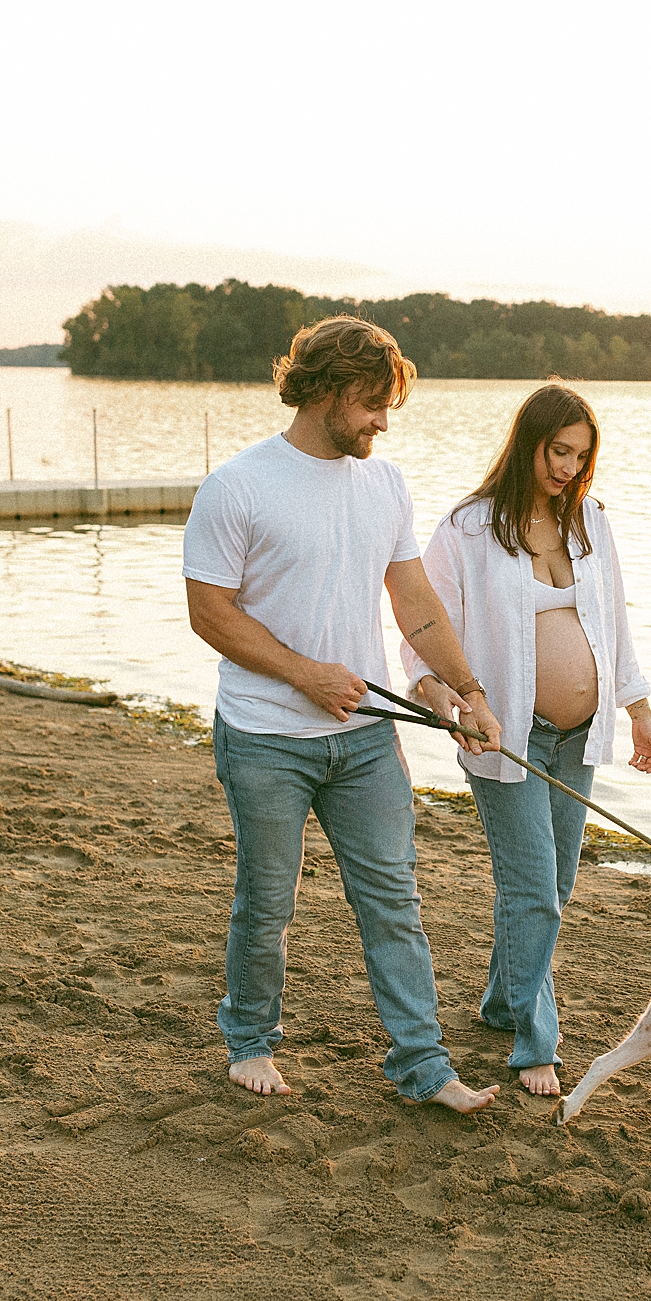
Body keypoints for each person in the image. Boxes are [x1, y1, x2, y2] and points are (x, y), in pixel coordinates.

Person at [182, 314, 504, 1113]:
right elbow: (209, 613)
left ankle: (423, 1067)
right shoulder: (238, 486)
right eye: (371, 403)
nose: (382, 423)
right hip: (264, 736)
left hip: (365, 741)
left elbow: (415, 601)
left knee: (394, 902)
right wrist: (305, 675)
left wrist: (468, 690)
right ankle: (250, 1042)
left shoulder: (384, 484)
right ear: (327, 389)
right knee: (268, 902)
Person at [401, 381, 651, 1096]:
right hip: (506, 738)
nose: (569, 469)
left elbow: (615, 622)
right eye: (558, 452)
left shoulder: (590, 521)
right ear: (528, 443)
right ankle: (533, 1044)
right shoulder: (468, 528)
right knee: (532, 894)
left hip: (579, 736)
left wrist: (638, 708)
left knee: (555, 885)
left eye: (581, 457)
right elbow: (423, 627)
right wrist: (443, 696)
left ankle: (500, 1001)